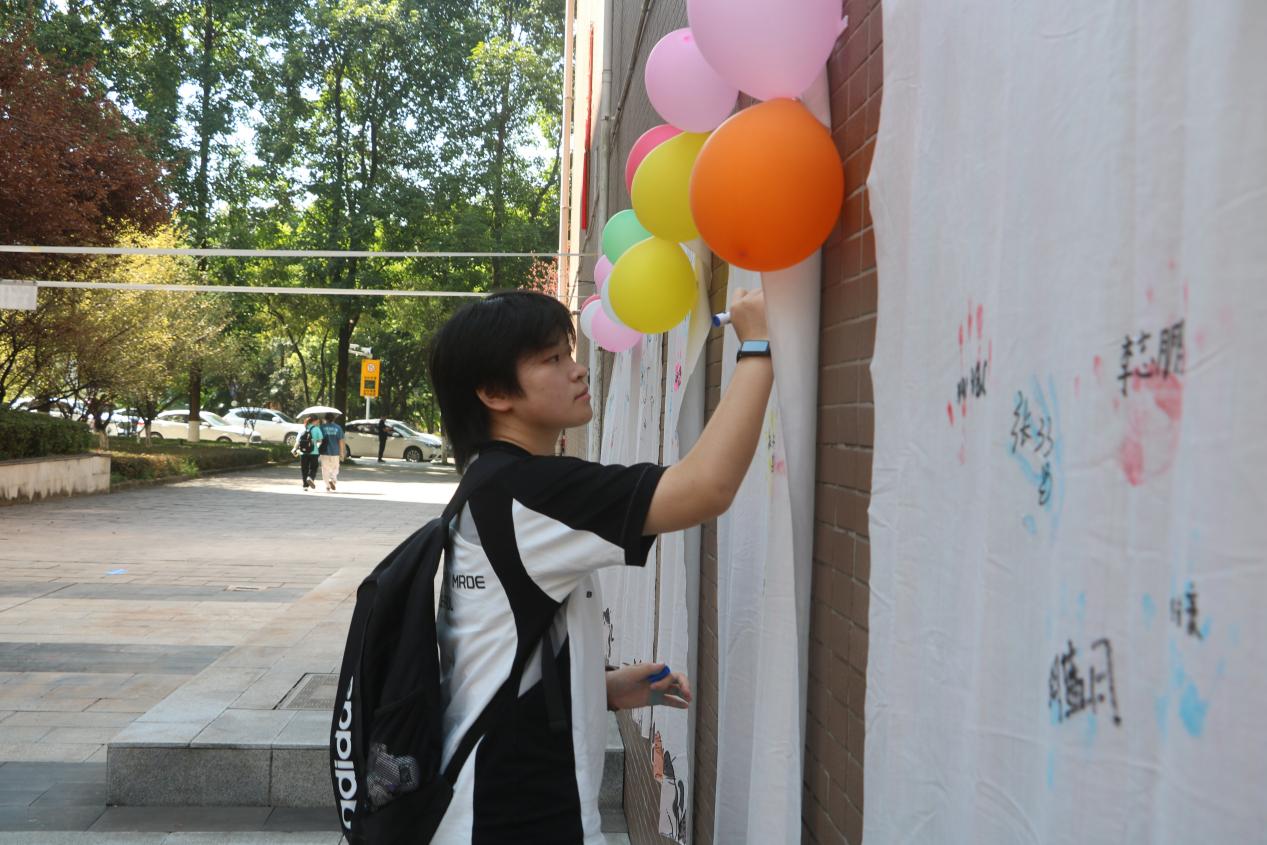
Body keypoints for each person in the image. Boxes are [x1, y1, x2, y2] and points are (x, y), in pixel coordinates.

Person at [426, 288, 771, 843]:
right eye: (551, 359)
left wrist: (599, 686)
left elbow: (497, 648)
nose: (578, 369)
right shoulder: (527, 491)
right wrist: (758, 345)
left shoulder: (492, 485)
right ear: (494, 393)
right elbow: (705, 488)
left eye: (569, 352)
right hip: (512, 817)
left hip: (484, 804)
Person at [318, 412, 344, 492]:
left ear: (325, 419)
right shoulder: (338, 428)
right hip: (335, 451)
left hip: (324, 451)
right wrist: (342, 452)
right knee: (335, 468)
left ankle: (327, 485)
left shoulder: (321, 427)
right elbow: (341, 441)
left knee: (325, 469)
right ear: (334, 419)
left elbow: (319, 439)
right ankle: (332, 479)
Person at [299, 415, 323, 490]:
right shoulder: (317, 429)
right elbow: (320, 441)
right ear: (314, 421)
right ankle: (310, 477)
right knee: (313, 468)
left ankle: (305, 486)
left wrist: (295, 449)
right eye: (317, 421)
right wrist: (317, 445)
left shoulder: (303, 428)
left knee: (304, 469)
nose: (318, 422)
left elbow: (298, 441)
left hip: (303, 452)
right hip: (314, 452)